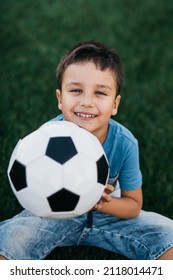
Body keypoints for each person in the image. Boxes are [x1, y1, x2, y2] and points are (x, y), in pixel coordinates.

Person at [0, 41, 173, 260]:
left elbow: (133, 206)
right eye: (76, 90)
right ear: (60, 99)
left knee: (168, 236)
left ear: (115, 104)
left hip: (108, 213)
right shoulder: (45, 139)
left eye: (100, 93)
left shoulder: (125, 143)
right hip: (52, 214)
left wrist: (99, 202)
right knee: (10, 240)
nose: (87, 101)